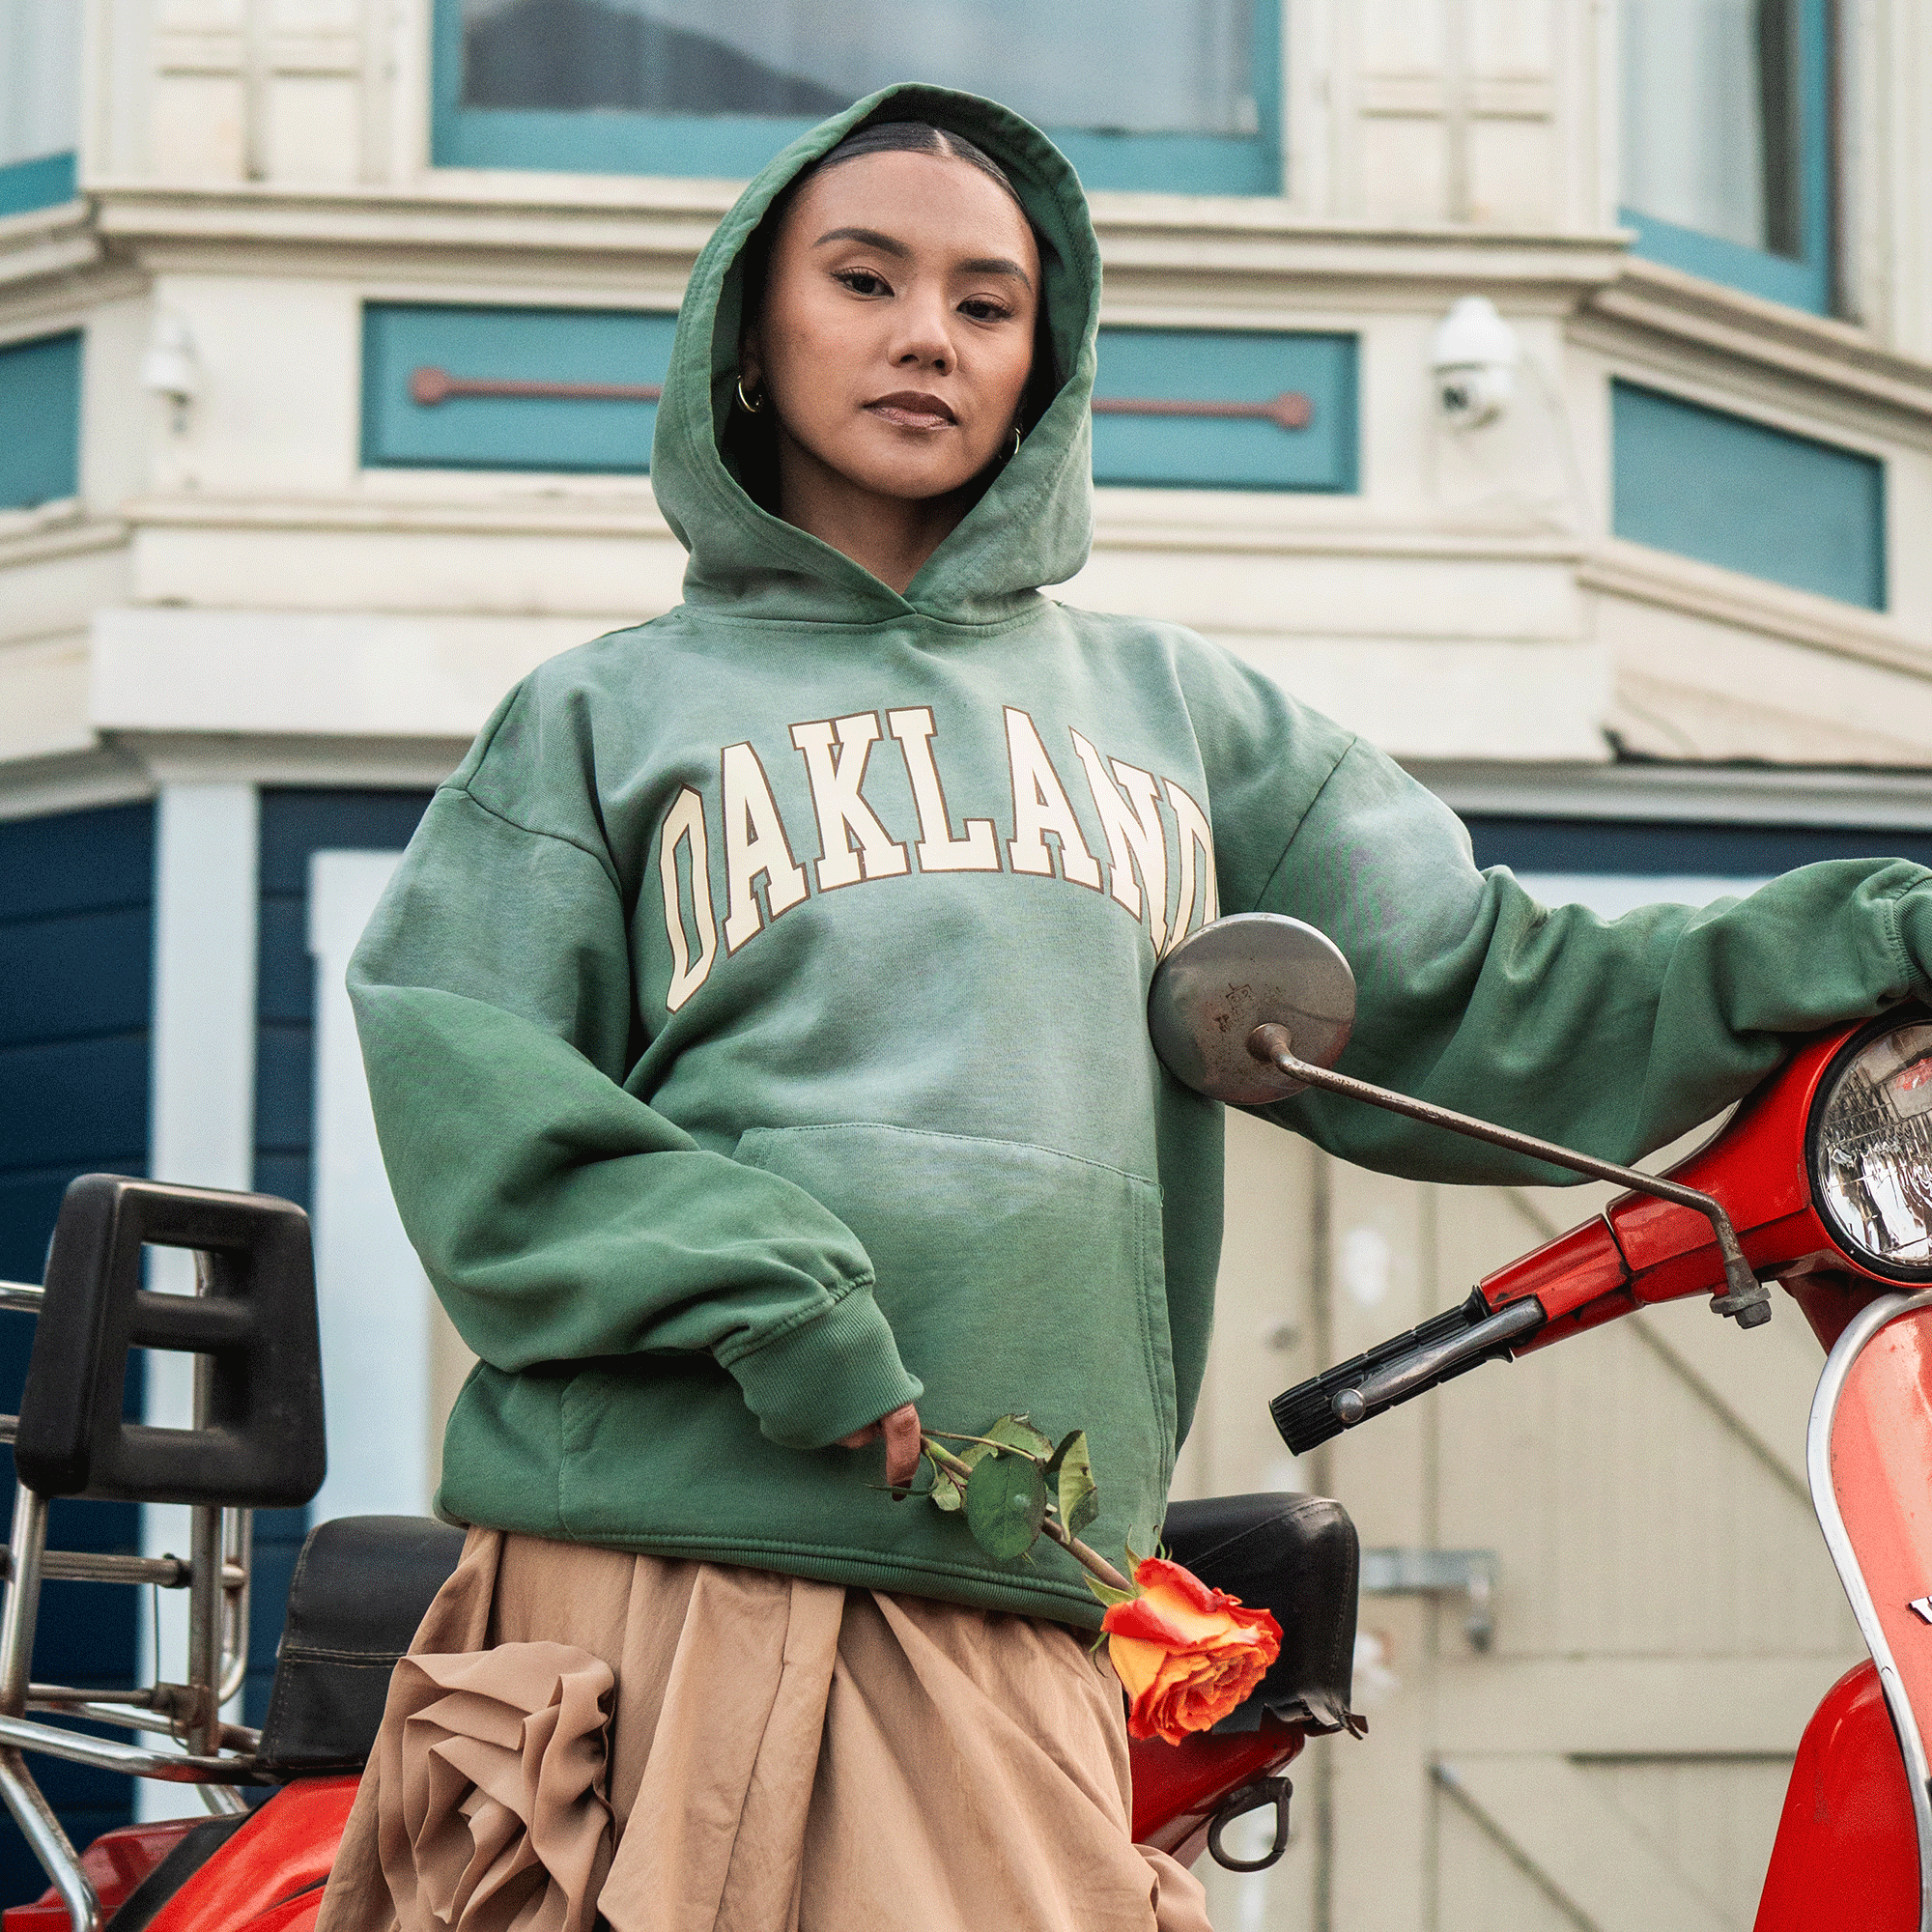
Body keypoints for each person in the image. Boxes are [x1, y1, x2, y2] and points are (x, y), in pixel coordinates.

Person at [316, 82, 1932, 1932]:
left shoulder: (1185, 720)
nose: (928, 334)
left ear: (1043, 364)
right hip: (667, 1568)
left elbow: (1488, 993)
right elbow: (474, 1084)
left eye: (988, 304)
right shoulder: (602, 715)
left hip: (1002, 1589)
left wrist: (1876, 930)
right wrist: (775, 1292)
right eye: (864, 279)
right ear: (751, 337)